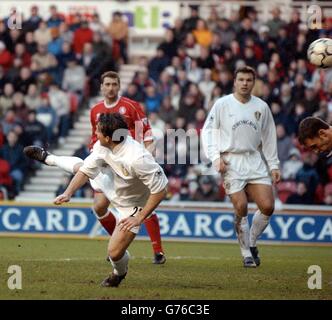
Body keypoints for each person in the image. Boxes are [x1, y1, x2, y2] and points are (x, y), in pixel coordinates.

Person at [24, 71, 166, 264]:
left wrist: (145, 158)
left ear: (118, 86)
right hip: (108, 160)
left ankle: (157, 250)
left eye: (114, 84)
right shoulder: (96, 112)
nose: (111, 88)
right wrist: (97, 156)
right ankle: (49, 159)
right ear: (101, 87)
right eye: (107, 84)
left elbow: (148, 135)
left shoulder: (131, 107)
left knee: (144, 204)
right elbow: (95, 140)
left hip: (132, 164)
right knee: (98, 203)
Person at [54, 113, 168, 287]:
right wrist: (68, 192)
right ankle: (49, 158)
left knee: (114, 253)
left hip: (135, 204)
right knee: (81, 166)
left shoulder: (138, 158)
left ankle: (118, 274)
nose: (95, 134)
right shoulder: (102, 146)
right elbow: (85, 171)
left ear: (108, 137)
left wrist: (139, 217)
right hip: (115, 187)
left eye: (98, 131)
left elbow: (160, 190)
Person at [201, 66, 281, 268]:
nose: (245, 83)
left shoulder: (261, 106)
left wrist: (273, 165)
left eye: (248, 80)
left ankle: (252, 241)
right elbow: (208, 131)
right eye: (241, 80)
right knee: (242, 207)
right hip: (231, 161)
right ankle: (245, 252)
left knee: (268, 206)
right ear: (235, 82)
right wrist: (215, 157)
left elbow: (269, 137)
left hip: (254, 160)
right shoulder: (222, 104)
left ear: (253, 83)